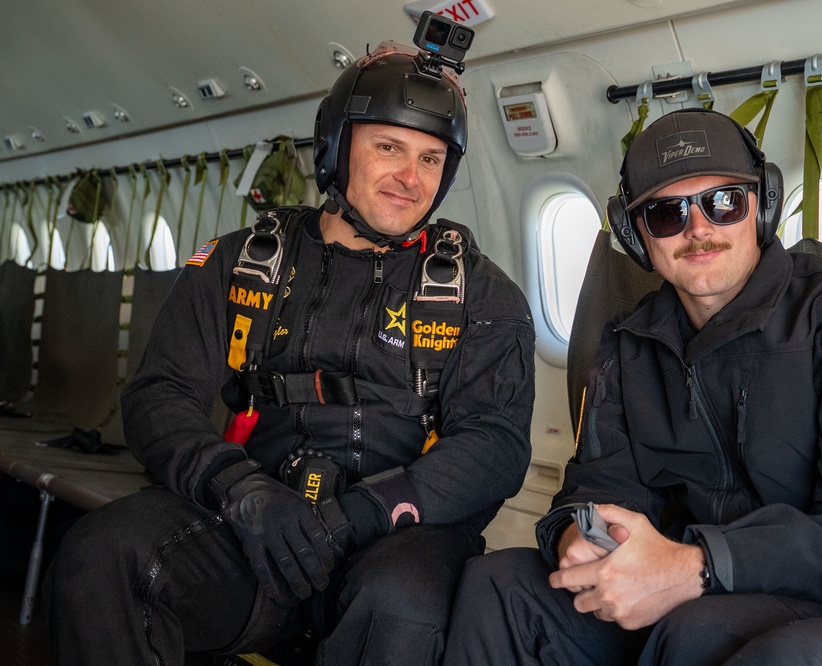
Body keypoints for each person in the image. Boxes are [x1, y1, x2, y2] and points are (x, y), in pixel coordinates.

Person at [442, 108, 822, 665]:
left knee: (697, 630)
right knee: (498, 584)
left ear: (762, 206)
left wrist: (698, 566)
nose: (698, 229)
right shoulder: (628, 340)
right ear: (636, 235)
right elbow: (597, 486)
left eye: (723, 201)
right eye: (665, 213)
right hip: (671, 574)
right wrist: (580, 536)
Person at [43, 39, 535, 666]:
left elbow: (494, 445)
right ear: (335, 144)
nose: (410, 178)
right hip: (254, 523)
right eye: (388, 147)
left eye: (431, 159)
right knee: (101, 556)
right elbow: (159, 397)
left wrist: (358, 515)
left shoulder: (483, 293)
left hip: (400, 535)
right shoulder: (238, 262)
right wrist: (241, 491)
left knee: (402, 604)